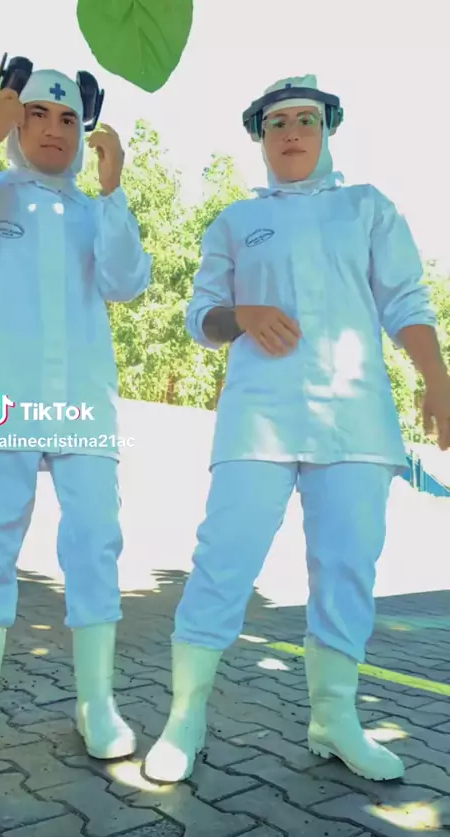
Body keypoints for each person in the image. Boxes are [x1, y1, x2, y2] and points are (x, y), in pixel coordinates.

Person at [144, 75, 450, 784]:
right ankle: (185, 717)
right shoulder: (235, 221)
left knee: (347, 570)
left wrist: (436, 377)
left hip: (356, 421)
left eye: (305, 120)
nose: (291, 133)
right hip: (258, 417)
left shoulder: (367, 207)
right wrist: (243, 315)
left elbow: (405, 298)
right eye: (276, 123)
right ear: (260, 137)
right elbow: (202, 316)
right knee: (224, 559)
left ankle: (334, 720)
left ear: (327, 130)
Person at [0, 65, 151, 764]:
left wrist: (113, 189)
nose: (53, 130)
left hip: (81, 401)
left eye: (68, 118)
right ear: (16, 124)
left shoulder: (93, 211)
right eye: (37, 114)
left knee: (96, 541)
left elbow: (126, 282)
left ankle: (95, 703)